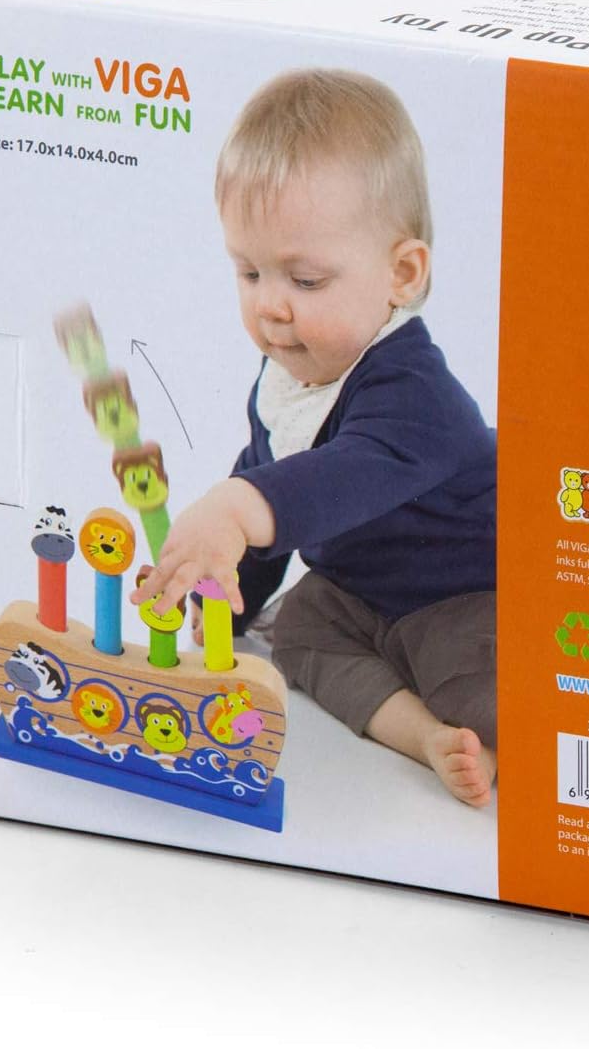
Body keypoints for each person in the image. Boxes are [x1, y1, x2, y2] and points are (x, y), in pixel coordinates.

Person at [132, 68, 498, 806]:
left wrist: (235, 507)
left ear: (401, 273)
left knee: (477, 684)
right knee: (297, 629)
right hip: (362, 596)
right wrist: (225, 596)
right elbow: (269, 465)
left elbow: (340, 478)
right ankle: (422, 736)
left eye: (304, 281)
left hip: (467, 592)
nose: (271, 307)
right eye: (249, 272)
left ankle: (473, 725)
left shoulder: (415, 391)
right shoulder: (287, 375)